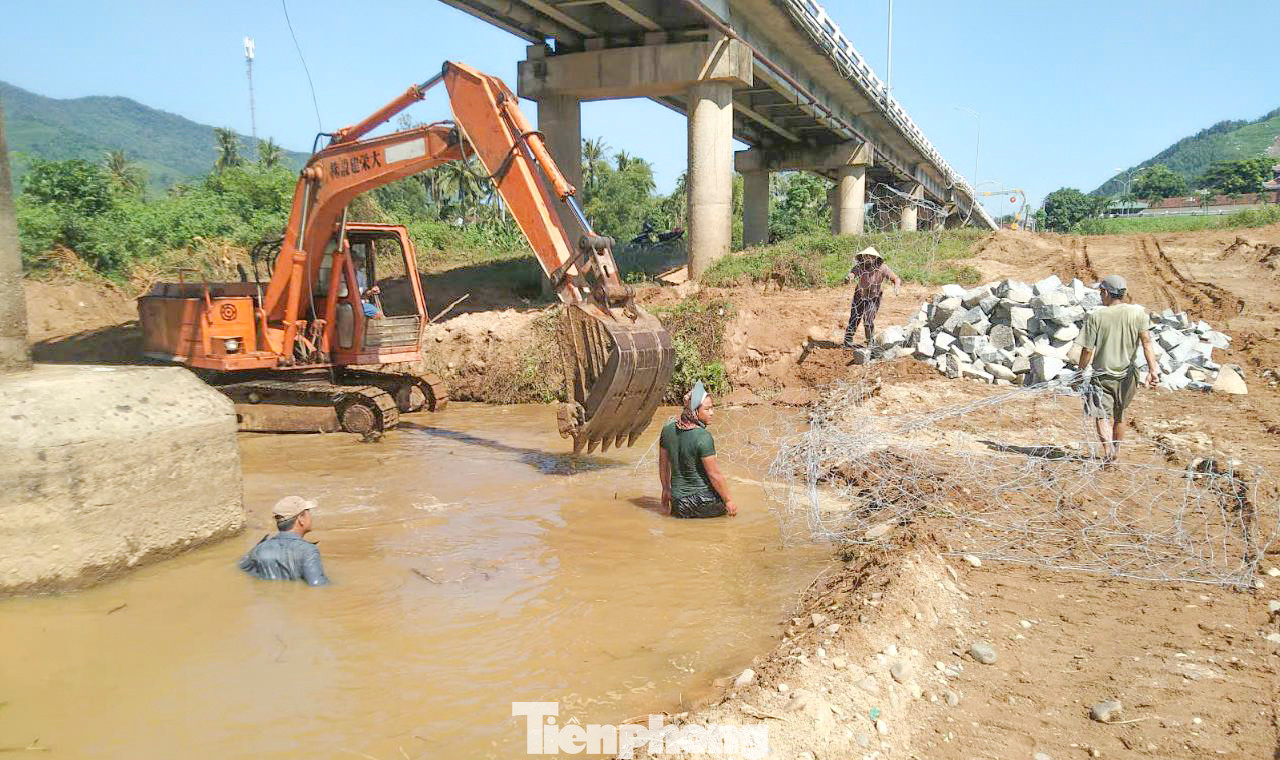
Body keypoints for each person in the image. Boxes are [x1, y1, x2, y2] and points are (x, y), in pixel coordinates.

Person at [1074, 275, 1160, 463]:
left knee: (1101, 415)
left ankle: (1108, 451)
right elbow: (1146, 342)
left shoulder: (1097, 316)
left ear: (1105, 293)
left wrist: (1080, 373)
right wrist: (1153, 370)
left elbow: (1088, 349)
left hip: (1102, 376)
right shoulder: (1138, 314)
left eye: (1100, 292)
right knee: (1120, 415)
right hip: (1128, 376)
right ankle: (1116, 451)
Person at [658, 381, 737, 518]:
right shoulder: (703, 436)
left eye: (712, 408)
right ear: (694, 411)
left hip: (679, 505)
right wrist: (729, 501)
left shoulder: (667, 430)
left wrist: (666, 489)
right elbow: (714, 475)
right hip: (705, 502)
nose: (712, 413)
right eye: (707, 409)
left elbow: (663, 465)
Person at [238, 496, 330, 586]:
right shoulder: (308, 550)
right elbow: (317, 585)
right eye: (308, 512)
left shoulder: (259, 549)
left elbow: (241, 568)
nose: (311, 517)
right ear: (300, 519)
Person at [843, 249, 902, 348]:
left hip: (874, 297)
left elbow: (896, 278)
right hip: (860, 295)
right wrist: (849, 277)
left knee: (868, 320)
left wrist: (896, 286)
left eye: (870, 256)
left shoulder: (882, 268)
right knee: (854, 318)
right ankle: (848, 340)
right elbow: (853, 273)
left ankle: (870, 342)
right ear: (863, 257)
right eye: (866, 256)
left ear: (876, 258)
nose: (868, 258)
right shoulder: (860, 266)